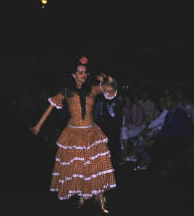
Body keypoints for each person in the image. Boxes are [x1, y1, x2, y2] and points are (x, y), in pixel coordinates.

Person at [31, 56, 117, 213]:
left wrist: (106, 79)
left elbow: (111, 89)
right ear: (73, 75)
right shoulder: (67, 91)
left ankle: (100, 198)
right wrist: (38, 125)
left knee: (95, 166)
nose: (83, 75)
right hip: (74, 133)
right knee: (78, 167)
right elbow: (50, 107)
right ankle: (82, 195)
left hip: (92, 132)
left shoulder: (93, 89)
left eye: (85, 72)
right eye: (80, 72)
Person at [144, 91, 191, 177]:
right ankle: (163, 165)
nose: (165, 102)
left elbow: (172, 132)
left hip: (182, 139)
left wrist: (155, 140)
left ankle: (164, 168)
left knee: (158, 145)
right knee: (150, 142)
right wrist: (153, 138)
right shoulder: (169, 114)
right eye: (165, 100)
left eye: (168, 100)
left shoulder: (179, 113)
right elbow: (165, 130)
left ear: (175, 102)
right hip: (173, 137)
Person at [120, 93, 146, 161]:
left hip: (141, 128)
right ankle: (126, 154)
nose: (127, 102)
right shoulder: (125, 109)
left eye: (128, 100)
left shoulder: (138, 108)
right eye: (125, 101)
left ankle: (125, 155)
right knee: (122, 130)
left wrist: (127, 125)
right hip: (132, 127)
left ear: (131, 101)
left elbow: (138, 124)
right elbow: (125, 123)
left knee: (122, 135)